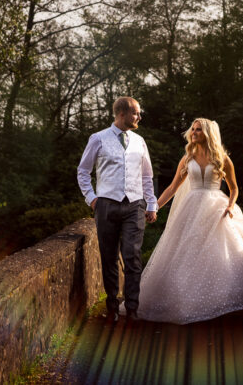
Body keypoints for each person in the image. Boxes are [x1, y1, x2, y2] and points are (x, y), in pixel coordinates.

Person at [136, 118, 243, 324]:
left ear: (208, 133)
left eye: (198, 130)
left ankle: (220, 302)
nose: (193, 133)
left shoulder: (222, 158)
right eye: (193, 130)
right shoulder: (188, 158)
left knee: (219, 253)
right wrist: (155, 206)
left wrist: (230, 206)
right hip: (191, 208)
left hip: (216, 209)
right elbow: (172, 188)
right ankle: (185, 300)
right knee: (187, 251)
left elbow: (234, 188)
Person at [77, 96, 157, 322]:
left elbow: (147, 176)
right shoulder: (98, 139)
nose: (139, 117)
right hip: (106, 205)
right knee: (109, 256)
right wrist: (92, 198)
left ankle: (132, 309)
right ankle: (112, 306)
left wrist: (151, 204)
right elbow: (83, 171)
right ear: (122, 114)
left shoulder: (139, 141)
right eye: (136, 113)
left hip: (134, 205)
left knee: (132, 256)